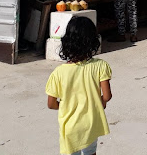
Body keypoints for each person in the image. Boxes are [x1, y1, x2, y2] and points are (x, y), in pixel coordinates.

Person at [46, 17, 112, 155]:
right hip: (91, 124)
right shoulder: (100, 66)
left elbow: (51, 104)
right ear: (93, 41)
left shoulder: (58, 73)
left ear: (67, 42)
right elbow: (107, 96)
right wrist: (100, 102)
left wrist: (64, 106)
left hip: (70, 127)